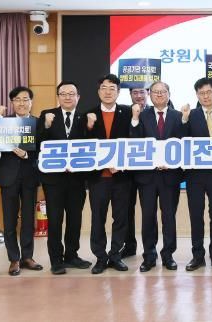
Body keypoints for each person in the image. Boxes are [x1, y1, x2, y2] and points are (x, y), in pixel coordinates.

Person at [36, 81, 92, 275]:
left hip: (77, 179)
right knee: (55, 220)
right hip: (54, 180)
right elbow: (38, 143)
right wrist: (46, 125)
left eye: (71, 94)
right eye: (63, 93)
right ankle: (56, 260)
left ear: (78, 97)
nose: (67, 97)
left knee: (75, 220)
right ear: (58, 96)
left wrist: (90, 127)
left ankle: (72, 255)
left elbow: (92, 145)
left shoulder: (85, 118)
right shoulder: (47, 115)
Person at [130, 81, 185, 272]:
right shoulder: (142, 115)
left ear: (169, 94)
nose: (159, 94)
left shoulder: (178, 116)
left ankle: (168, 255)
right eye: (155, 92)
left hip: (170, 176)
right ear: (150, 95)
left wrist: (172, 162)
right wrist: (134, 119)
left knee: (169, 217)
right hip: (147, 176)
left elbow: (184, 143)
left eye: (163, 91)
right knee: (148, 217)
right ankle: (149, 256)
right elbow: (134, 140)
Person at [83, 74, 134, 274]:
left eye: (112, 88)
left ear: (118, 92)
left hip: (122, 178)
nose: (108, 92)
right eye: (104, 88)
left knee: (121, 219)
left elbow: (134, 141)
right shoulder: (88, 114)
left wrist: (122, 164)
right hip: (98, 178)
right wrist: (88, 127)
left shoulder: (128, 113)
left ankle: (115, 255)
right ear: (98, 92)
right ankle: (100, 257)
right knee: (98, 219)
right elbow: (81, 144)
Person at [182, 78, 212, 271]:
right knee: (196, 215)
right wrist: (184, 120)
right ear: (197, 95)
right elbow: (182, 140)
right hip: (195, 175)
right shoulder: (190, 115)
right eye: (201, 93)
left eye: (209, 92)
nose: (206, 96)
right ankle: (197, 255)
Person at [0, 86, 42, 276]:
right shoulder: (3, 123)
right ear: (12, 103)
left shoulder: (37, 123)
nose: (22, 103)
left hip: (30, 176)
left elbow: (43, 150)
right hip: (8, 177)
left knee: (29, 219)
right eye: (17, 100)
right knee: (10, 220)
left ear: (31, 102)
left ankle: (27, 257)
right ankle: (14, 259)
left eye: (25, 99)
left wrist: (27, 154)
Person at [121, 87, 151, 259]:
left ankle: (150, 250)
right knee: (127, 210)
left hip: (150, 171)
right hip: (129, 171)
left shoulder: (156, 110)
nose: (139, 96)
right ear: (130, 94)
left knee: (149, 211)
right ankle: (129, 246)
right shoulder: (124, 112)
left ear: (147, 93)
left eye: (142, 92)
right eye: (135, 93)